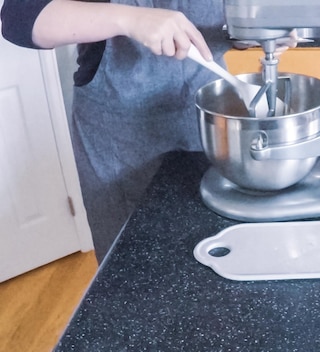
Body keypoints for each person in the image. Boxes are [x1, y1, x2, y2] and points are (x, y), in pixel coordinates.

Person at [1, 0, 294, 262]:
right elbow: (21, 18)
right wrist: (129, 19)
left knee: (213, 250)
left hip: (208, 119)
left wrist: (253, 32)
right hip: (120, 136)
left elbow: (223, 23)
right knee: (134, 265)